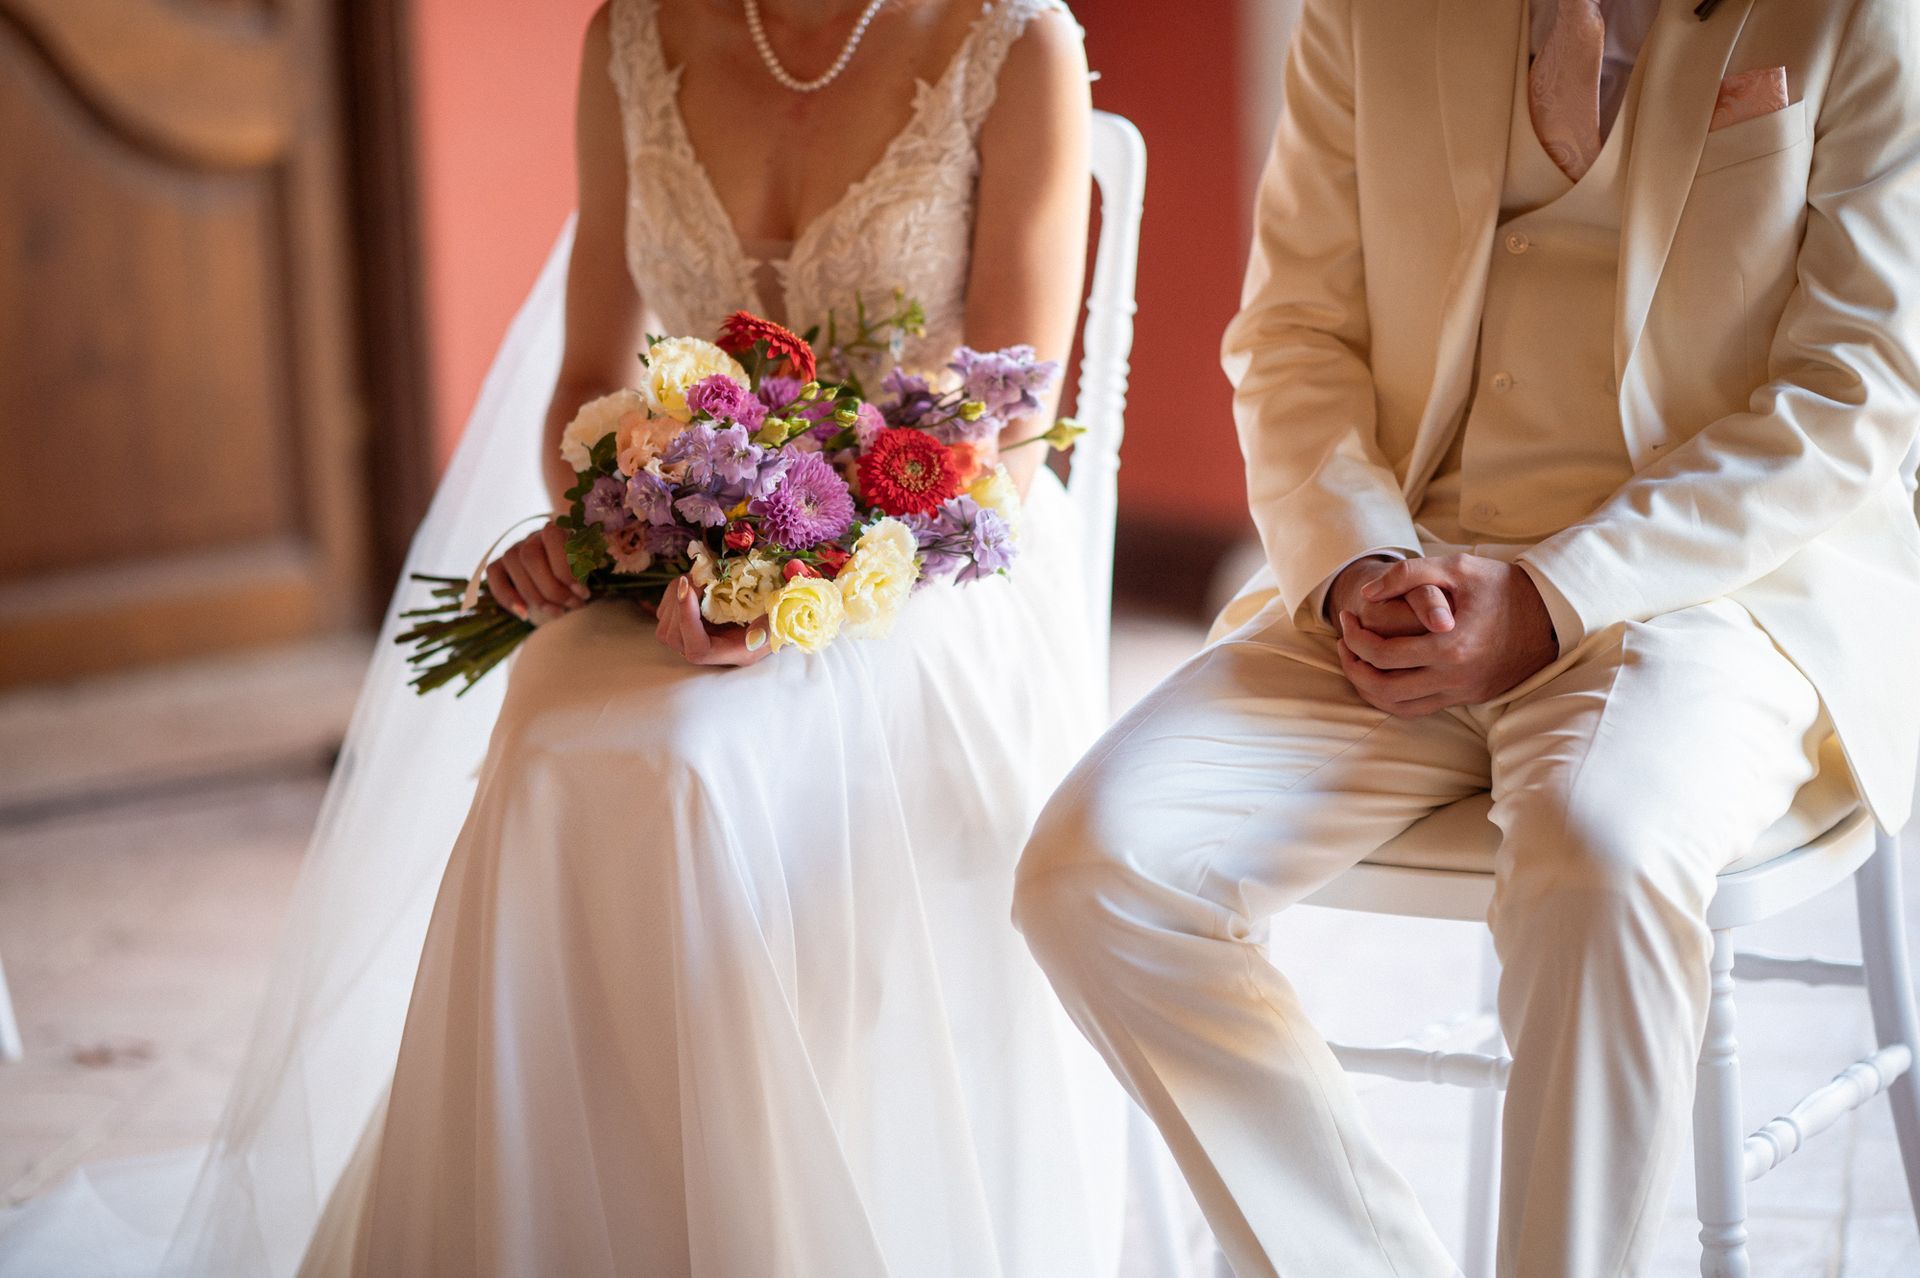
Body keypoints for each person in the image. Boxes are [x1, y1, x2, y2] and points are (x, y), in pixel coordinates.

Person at [0, 1, 1206, 1275]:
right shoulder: (633, 36)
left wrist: (805, 574)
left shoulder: (1016, 43)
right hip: (685, 543)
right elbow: (585, 374)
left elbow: (1005, 435)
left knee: (690, 760)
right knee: (553, 728)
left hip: (936, 567)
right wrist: (608, 521)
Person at [1014, 0, 1920, 1274]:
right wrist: (1360, 562)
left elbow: (1854, 388)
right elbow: (1296, 333)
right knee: (1097, 869)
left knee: (1602, 852)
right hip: (1411, 566)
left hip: (1712, 590)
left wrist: (1555, 594)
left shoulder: (1856, 14)